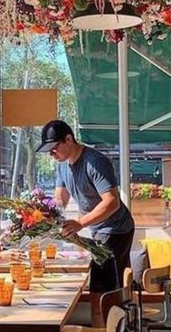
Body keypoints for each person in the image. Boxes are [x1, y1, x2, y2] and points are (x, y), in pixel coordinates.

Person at [36, 119, 136, 292]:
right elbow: (60, 200)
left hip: (116, 228)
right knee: (104, 281)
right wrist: (42, 212)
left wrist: (80, 223)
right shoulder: (63, 166)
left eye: (54, 148)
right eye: (48, 152)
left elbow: (112, 202)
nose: (51, 154)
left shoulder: (95, 162)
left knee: (102, 284)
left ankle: (111, 318)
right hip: (98, 228)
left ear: (68, 139)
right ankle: (113, 315)